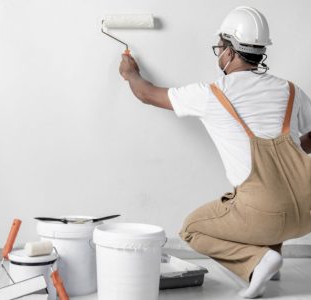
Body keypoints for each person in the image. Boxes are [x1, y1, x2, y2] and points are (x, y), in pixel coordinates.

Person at [119, 6, 311, 299]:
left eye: (220, 47)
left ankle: (258, 261)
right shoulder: (292, 91)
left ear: (231, 51)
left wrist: (131, 73)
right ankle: (272, 261)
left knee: (193, 228)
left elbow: (147, 94)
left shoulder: (212, 94)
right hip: (307, 212)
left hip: (266, 213)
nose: (218, 53)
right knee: (274, 190)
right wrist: (294, 153)